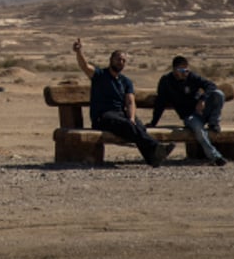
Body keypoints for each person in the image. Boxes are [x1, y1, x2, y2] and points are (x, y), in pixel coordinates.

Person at [72, 38, 175, 166]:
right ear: (111, 60)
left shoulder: (126, 81)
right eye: (118, 59)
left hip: (121, 114)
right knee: (129, 126)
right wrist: (79, 52)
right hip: (103, 116)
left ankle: (153, 159)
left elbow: (130, 102)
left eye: (123, 60)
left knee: (138, 126)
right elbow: (85, 66)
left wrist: (131, 117)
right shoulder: (100, 75)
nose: (121, 62)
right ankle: (157, 147)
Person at [148, 56, 227, 166]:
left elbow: (211, 85)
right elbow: (160, 103)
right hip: (189, 116)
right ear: (174, 70)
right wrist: (153, 122)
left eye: (186, 70)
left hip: (202, 111)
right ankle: (215, 156)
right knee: (199, 131)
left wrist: (203, 99)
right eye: (181, 70)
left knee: (219, 94)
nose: (185, 73)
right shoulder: (166, 81)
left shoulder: (192, 77)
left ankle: (214, 122)